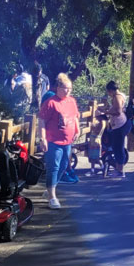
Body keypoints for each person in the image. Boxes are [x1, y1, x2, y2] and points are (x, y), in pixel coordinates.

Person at [39, 73, 79, 209]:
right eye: (65, 88)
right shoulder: (51, 102)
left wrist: (77, 129)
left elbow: (75, 117)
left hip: (67, 140)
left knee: (63, 165)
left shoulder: (71, 101)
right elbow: (42, 121)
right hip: (53, 140)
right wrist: (42, 138)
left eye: (70, 88)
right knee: (53, 167)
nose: (68, 91)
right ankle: (52, 196)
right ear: (59, 88)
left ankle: (50, 188)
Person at [101, 80, 132, 177]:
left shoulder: (117, 98)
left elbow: (118, 112)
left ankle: (120, 170)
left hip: (120, 125)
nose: (108, 94)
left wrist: (107, 113)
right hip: (121, 124)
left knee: (118, 147)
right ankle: (119, 169)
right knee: (117, 146)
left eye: (108, 92)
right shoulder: (121, 95)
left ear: (111, 90)